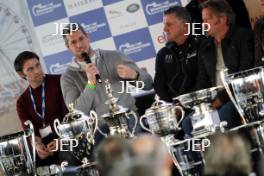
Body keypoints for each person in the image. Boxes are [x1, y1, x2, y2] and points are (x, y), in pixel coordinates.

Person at [60, 23, 153, 132]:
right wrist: (91, 84)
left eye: (81, 38)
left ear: (87, 37)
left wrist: (135, 75)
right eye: (73, 42)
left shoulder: (115, 57)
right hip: (100, 131)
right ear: (68, 47)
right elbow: (76, 113)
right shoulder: (68, 77)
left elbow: (149, 85)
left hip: (129, 121)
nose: (79, 45)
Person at [182, 0, 254, 136]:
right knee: (188, 123)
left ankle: (240, 154)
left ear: (222, 19)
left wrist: (219, 101)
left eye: (207, 20)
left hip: (239, 96)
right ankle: (213, 156)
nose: (203, 25)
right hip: (214, 102)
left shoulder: (243, 37)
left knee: (225, 114)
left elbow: (243, 74)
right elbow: (202, 82)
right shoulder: (205, 47)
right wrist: (201, 104)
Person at [14, 51, 68, 166]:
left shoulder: (59, 81)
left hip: (67, 138)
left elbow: (69, 116)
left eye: (38, 65)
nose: (37, 71)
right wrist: (38, 146)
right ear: (21, 74)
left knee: (66, 155)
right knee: (29, 164)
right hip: (46, 147)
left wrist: (61, 141)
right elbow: (30, 132)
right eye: (30, 69)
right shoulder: (21, 102)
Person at [154, 6, 202, 102]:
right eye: (164, 25)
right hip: (174, 109)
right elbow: (159, 86)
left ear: (185, 25)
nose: (164, 29)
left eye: (169, 25)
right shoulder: (163, 54)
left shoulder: (201, 45)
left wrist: (184, 103)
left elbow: (203, 81)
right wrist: (172, 106)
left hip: (198, 102)